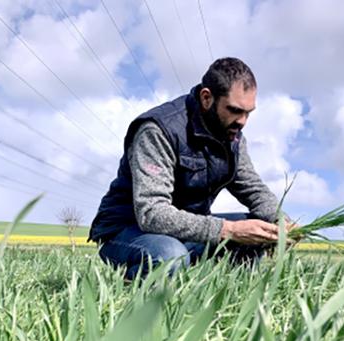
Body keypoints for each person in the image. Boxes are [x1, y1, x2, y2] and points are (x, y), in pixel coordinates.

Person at [88, 57, 283, 280]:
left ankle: (226, 300)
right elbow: (152, 213)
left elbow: (253, 188)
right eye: (234, 110)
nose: (242, 121)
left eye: (248, 112)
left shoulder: (232, 136)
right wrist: (228, 230)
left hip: (182, 231)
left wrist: (279, 221)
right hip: (128, 230)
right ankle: (133, 294)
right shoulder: (158, 131)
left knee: (257, 230)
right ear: (207, 97)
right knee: (170, 256)